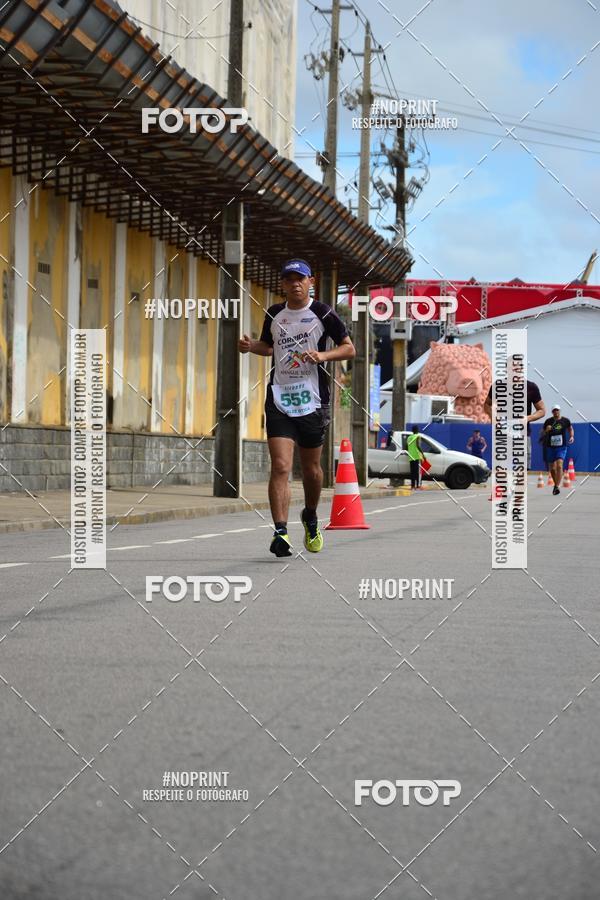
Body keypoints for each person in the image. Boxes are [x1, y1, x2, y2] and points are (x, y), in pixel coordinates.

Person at [238, 259, 355, 557]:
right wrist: (251, 346)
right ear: (282, 284)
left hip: (313, 400)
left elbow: (349, 348)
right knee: (280, 466)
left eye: (300, 278)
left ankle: (311, 515)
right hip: (279, 397)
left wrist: (324, 355)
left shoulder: (323, 312)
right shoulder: (275, 314)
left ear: (311, 281)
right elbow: (268, 346)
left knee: (312, 470)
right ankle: (280, 532)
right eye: (289, 279)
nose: (295, 284)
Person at [484, 374, 545, 470]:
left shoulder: (531, 387)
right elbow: (487, 404)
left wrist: (528, 418)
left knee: (522, 469)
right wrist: (493, 417)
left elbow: (542, 410)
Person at [542, 404, 574, 495]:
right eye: (554, 410)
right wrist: (546, 430)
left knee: (559, 465)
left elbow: (570, 428)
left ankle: (556, 486)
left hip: (561, 446)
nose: (556, 412)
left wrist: (571, 436)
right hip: (550, 446)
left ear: (560, 411)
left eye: (557, 410)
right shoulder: (548, 421)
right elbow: (543, 432)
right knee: (552, 468)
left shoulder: (565, 420)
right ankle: (556, 484)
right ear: (552, 412)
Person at [407, 426, 426, 490]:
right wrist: (423, 454)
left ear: (412, 431)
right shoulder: (417, 436)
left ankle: (412, 486)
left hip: (411, 456)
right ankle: (418, 486)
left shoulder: (409, 438)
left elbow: (407, 447)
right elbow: (418, 446)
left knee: (412, 472)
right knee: (418, 472)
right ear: (417, 430)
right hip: (417, 456)